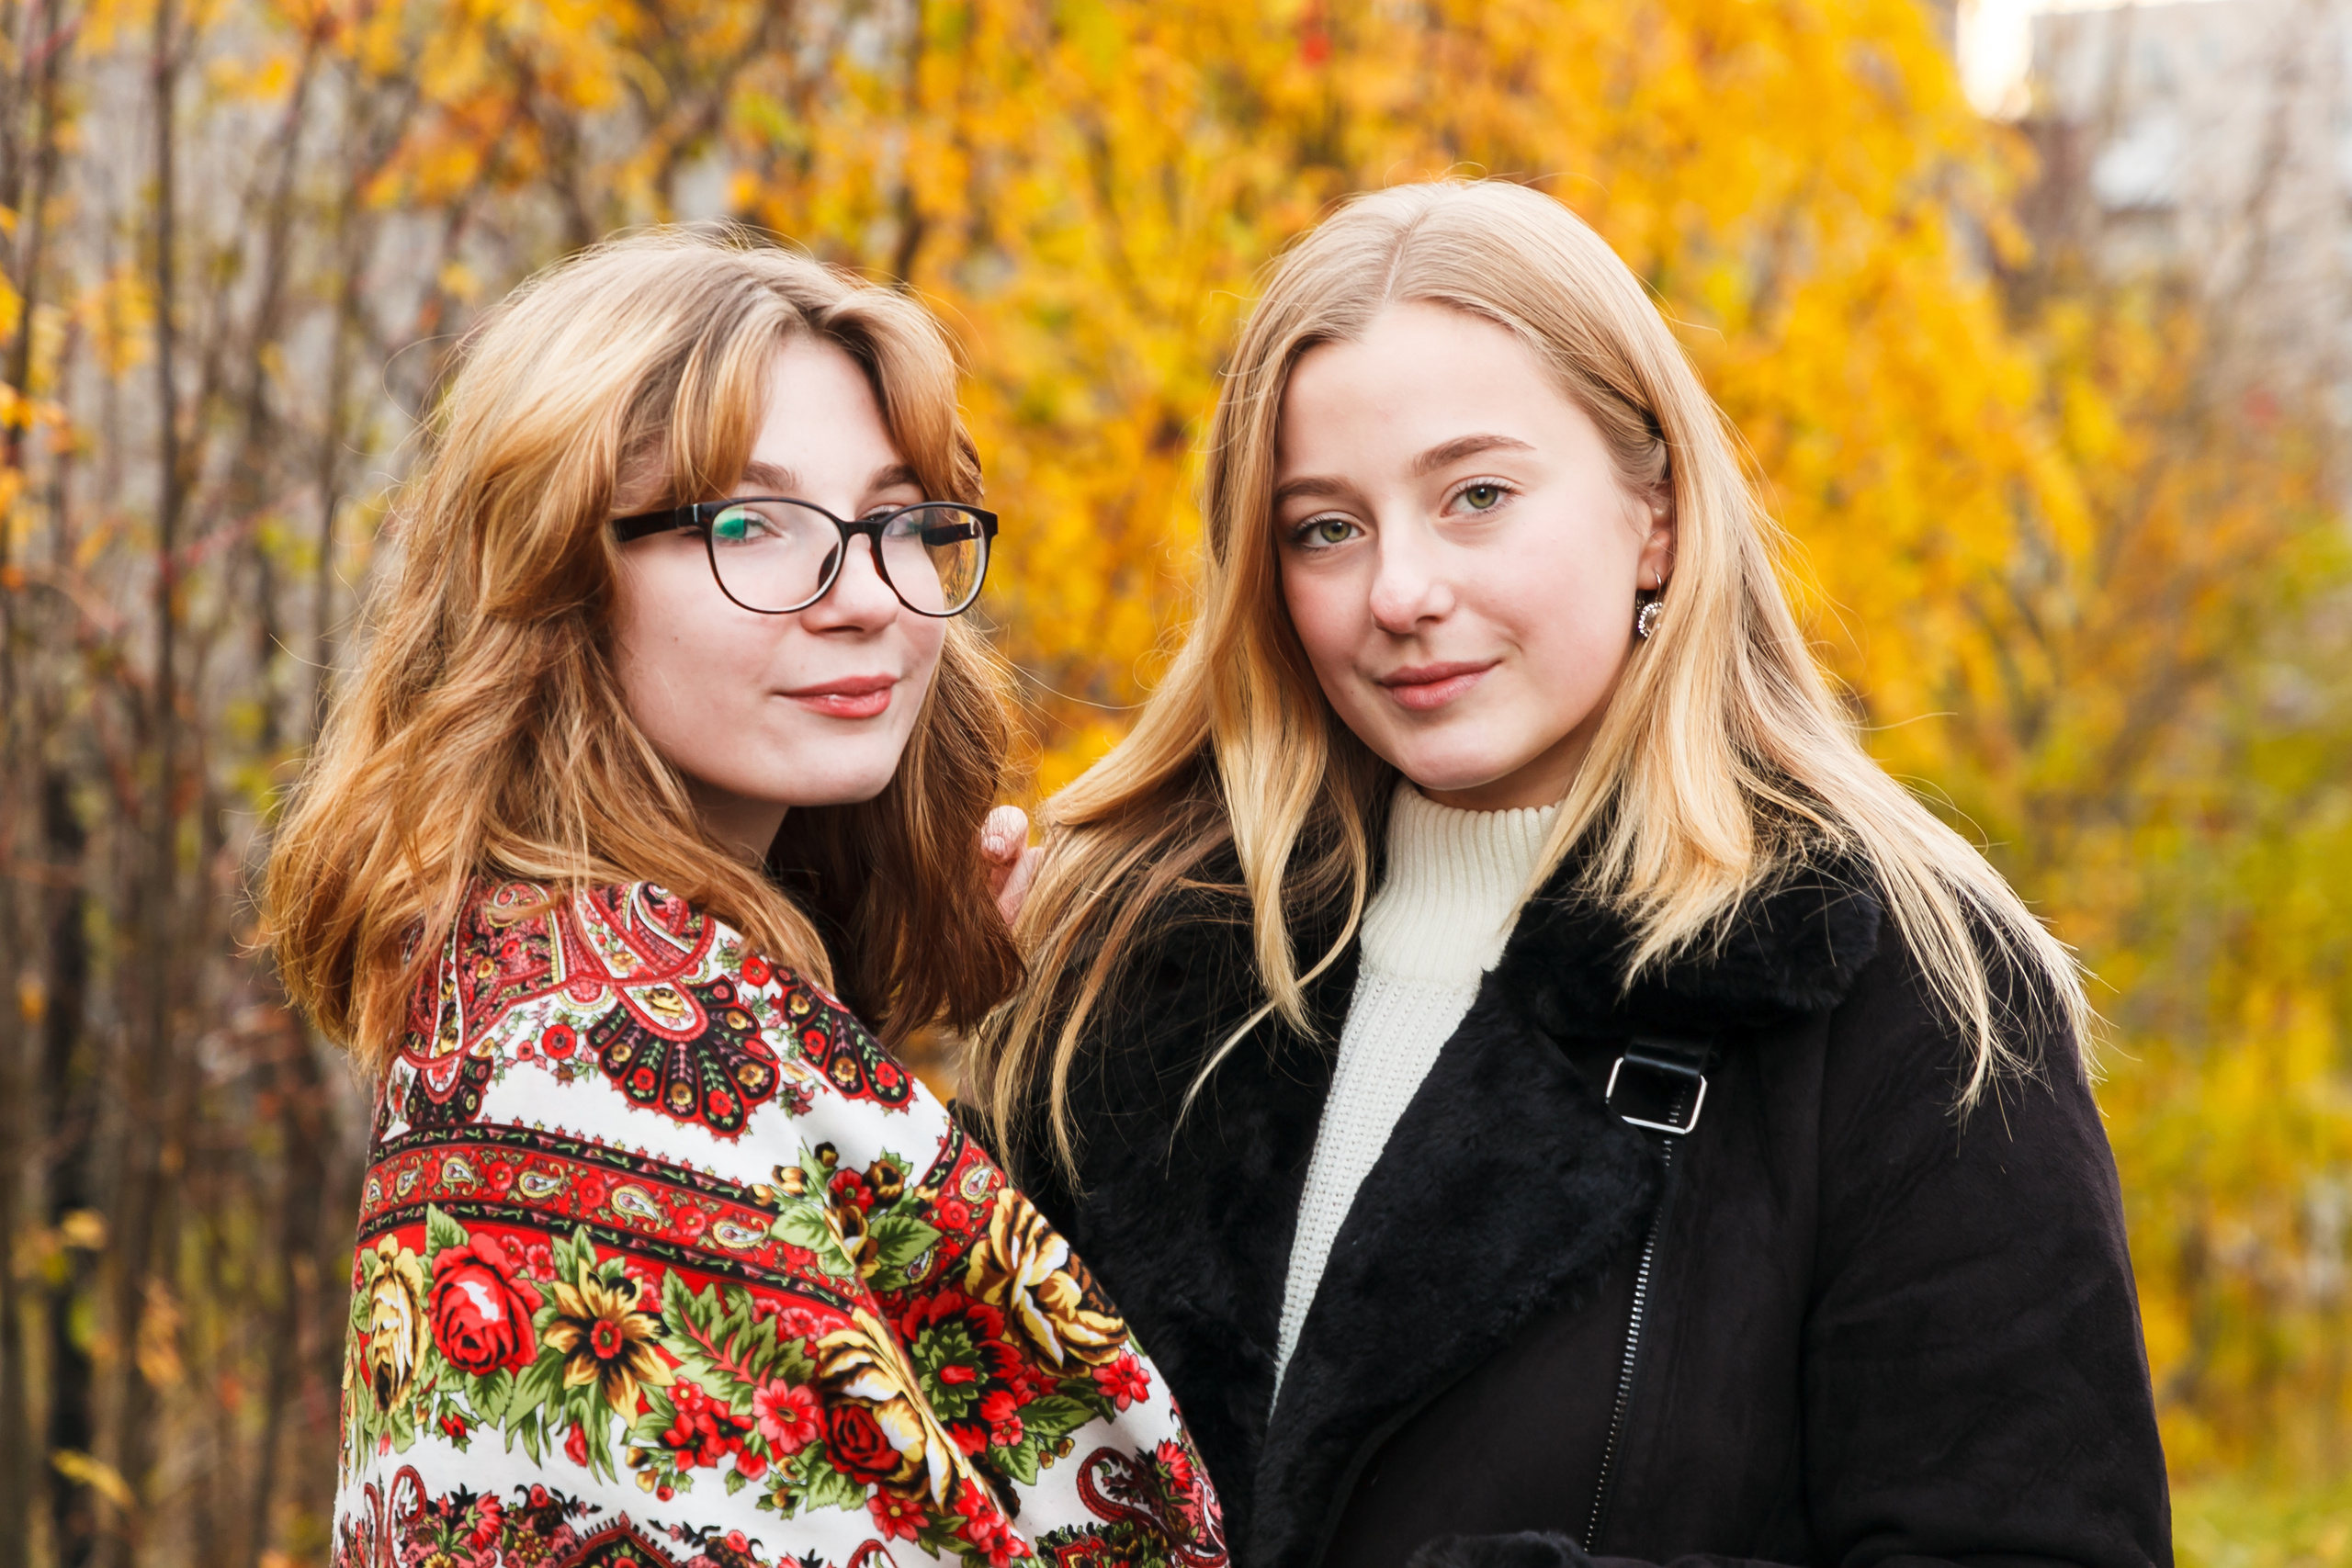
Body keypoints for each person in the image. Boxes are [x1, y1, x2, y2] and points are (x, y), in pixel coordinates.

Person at [968, 181, 2171, 1568]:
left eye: (1475, 496)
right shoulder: (1144, 964)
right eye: (1326, 527)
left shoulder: (1897, 983)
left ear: (1652, 511)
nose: (1399, 590)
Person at [266, 231, 1224, 1568]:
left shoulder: (543, 988)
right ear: (555, 573)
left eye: (901, 522)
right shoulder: (605, 1048)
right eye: (748, 525)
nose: (866, 598)